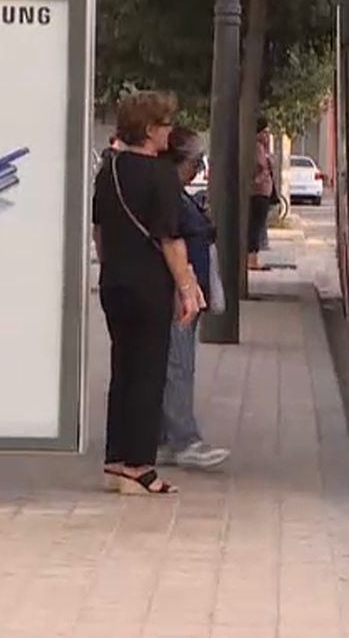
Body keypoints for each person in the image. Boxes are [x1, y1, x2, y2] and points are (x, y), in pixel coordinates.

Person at [91, 90, 205, 495]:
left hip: (114, 282)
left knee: (123, 368)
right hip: (149, 285)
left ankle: (115, 460)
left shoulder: (109, 170)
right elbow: (170, 238)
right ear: (150, 129)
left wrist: (112, 265)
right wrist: (187, 288)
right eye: (166, 124)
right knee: (148, 373)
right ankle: (139, 467)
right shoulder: (160, 175)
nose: (170, 132)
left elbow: (99, 230)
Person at [157, 127, 231, 470]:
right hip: (179, 296)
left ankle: (166, 438)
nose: (199, 169)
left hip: (188, 294)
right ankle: (183, 439)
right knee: (178, 366)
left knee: (178, 364)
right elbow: (171, 242)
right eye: (195, 161)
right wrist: (183, 287)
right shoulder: (169, 197)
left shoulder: (179, 195)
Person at [247, 117, 274, 271]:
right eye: (265, 132)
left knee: (256, 226)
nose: (267, 136)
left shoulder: (260, 147)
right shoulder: (257, 147)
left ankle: (252, 258)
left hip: (261, 192)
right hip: (259, 193)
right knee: (255, 226)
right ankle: (252, 259)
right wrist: (260, 178)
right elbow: (261, 167)